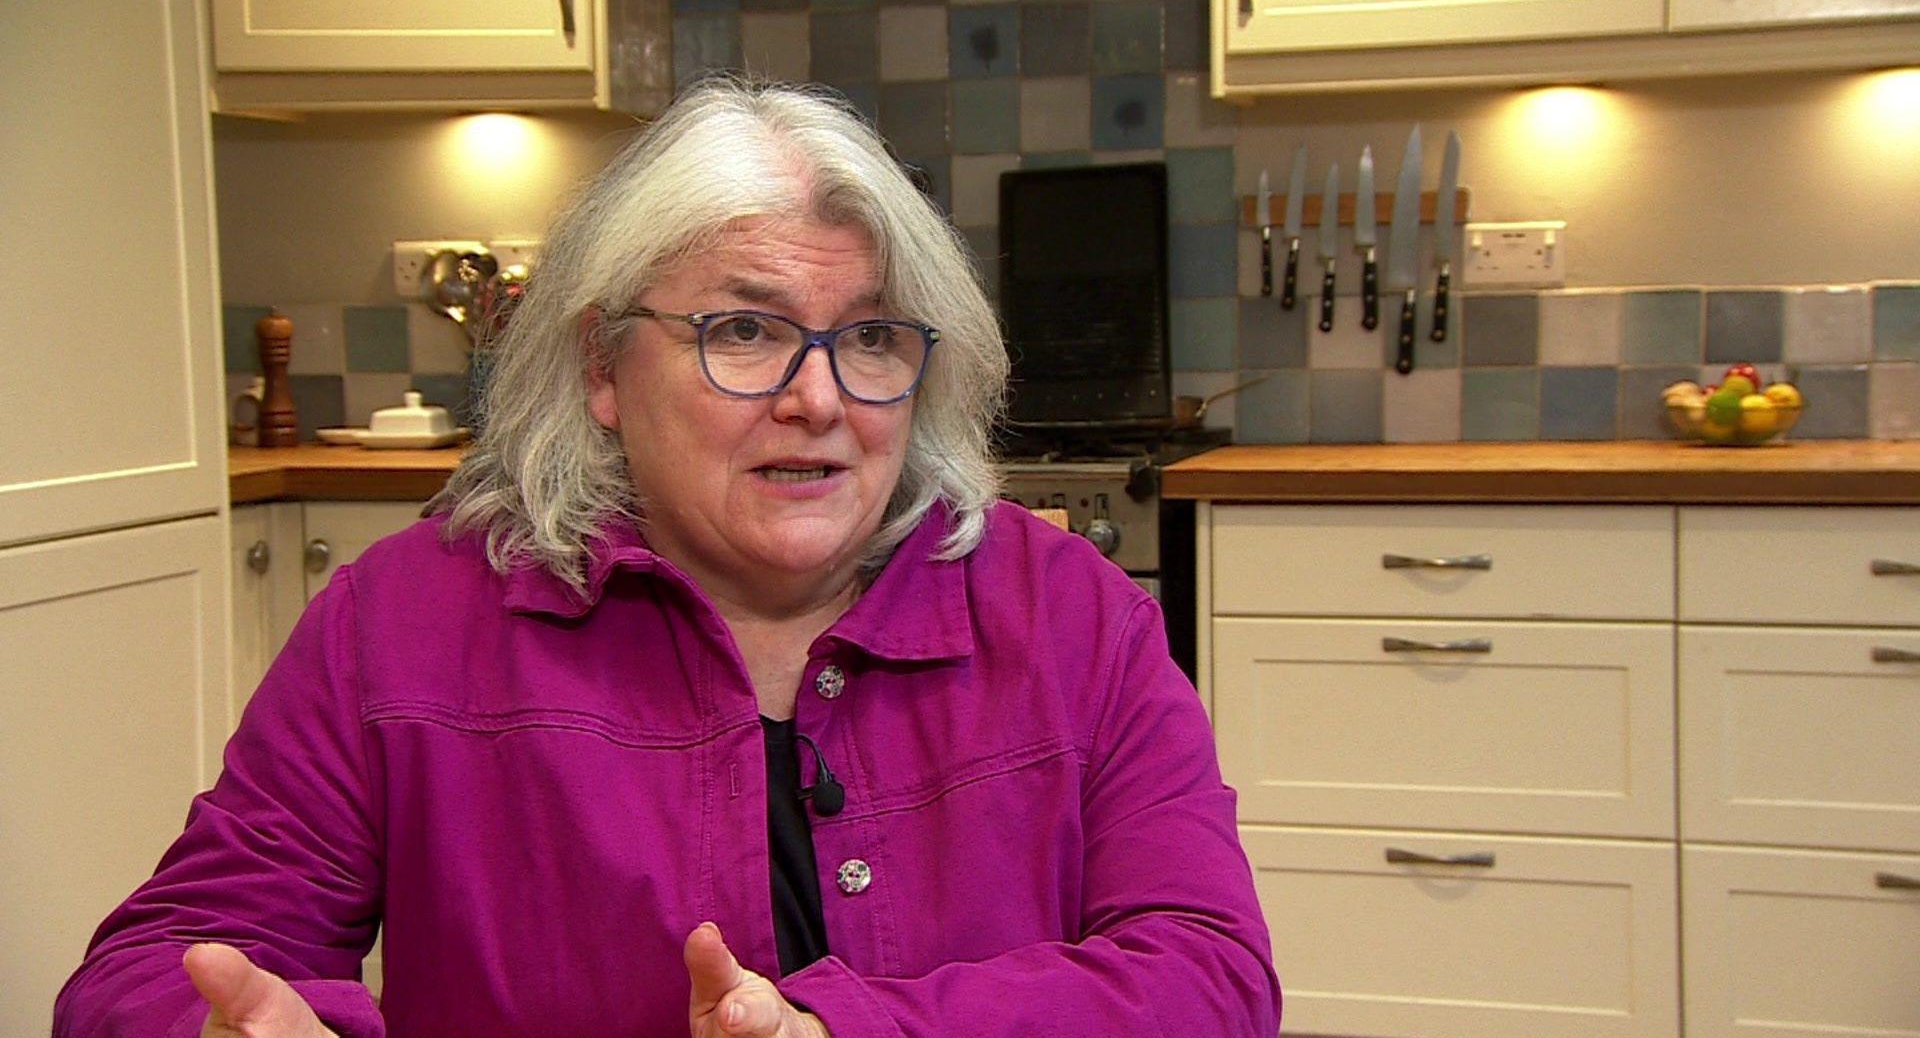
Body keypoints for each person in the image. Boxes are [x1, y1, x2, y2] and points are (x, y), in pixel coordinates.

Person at [55, 77, 1281, 1037]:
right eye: (743, 332)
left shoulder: (1072, 613)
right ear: (601, 368)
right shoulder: (402, 623)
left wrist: (843, 1030)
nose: (820, 400)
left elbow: (1210, 979)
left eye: (870, 339)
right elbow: (147, 969)